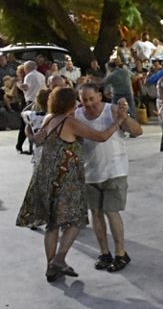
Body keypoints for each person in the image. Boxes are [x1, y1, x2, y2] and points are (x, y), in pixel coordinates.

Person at [16, 86, 128, 282]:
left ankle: (51, 268)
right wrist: (117, 122)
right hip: (64, 179)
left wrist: (27, 128)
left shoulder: (48, 118)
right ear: (70, 103)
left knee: (52, 225)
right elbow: (101, 137)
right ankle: (59, 259)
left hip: (45, 177)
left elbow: (36, 138)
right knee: (75, 221)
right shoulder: (69, 122)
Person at [74, 83, 143, 272]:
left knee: (111, 212)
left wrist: (123, 118)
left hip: (114, 169)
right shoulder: (77, 115)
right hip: (89, 173)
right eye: (84, 99)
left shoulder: (111, 111)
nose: (88, 103)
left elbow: (137, 131)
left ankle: (121, 253)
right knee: (96, 213)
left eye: (91, 98)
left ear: (99, 96)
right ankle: (104, 253)